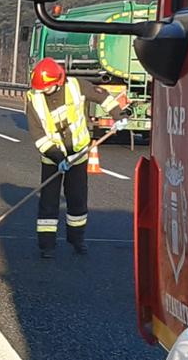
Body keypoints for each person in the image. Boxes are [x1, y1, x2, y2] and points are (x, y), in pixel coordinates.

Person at [24, 57, 127, 258]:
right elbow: (39, 135)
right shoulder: (33, 98)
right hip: (53, 158)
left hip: (78, 154)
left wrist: (118, 115)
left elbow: (102, 97)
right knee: (48, 202)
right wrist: (57, 156)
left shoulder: (75, 86)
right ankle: (47, 246)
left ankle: (77, 239)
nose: (42, 91)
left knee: (77, 200)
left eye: (46, 87)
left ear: (57, 82)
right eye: (41, 88)